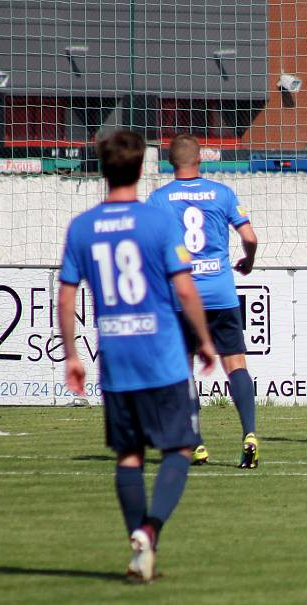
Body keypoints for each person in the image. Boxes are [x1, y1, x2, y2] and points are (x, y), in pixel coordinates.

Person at [57, 129, 217, 582]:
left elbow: (66, 299)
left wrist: (72, 354)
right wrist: (204, 341)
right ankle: (149, 529)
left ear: (103, 169)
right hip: (163, 356)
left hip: (117, 360)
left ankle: (139, 553)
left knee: (128, 457)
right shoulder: (157, 222)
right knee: (181, 447)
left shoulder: (82, 227)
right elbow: (184, 288)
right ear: (142, 166)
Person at [147, 134, 260, 468]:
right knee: (236, 364)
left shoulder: (158, 199)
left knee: (183, 370)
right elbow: (250, 237)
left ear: (170, 162)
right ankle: (249, 433)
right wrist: (248, 261)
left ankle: (195, 443)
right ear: (200, 159)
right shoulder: (222, 193)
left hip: (182, 297)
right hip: (221, 293)